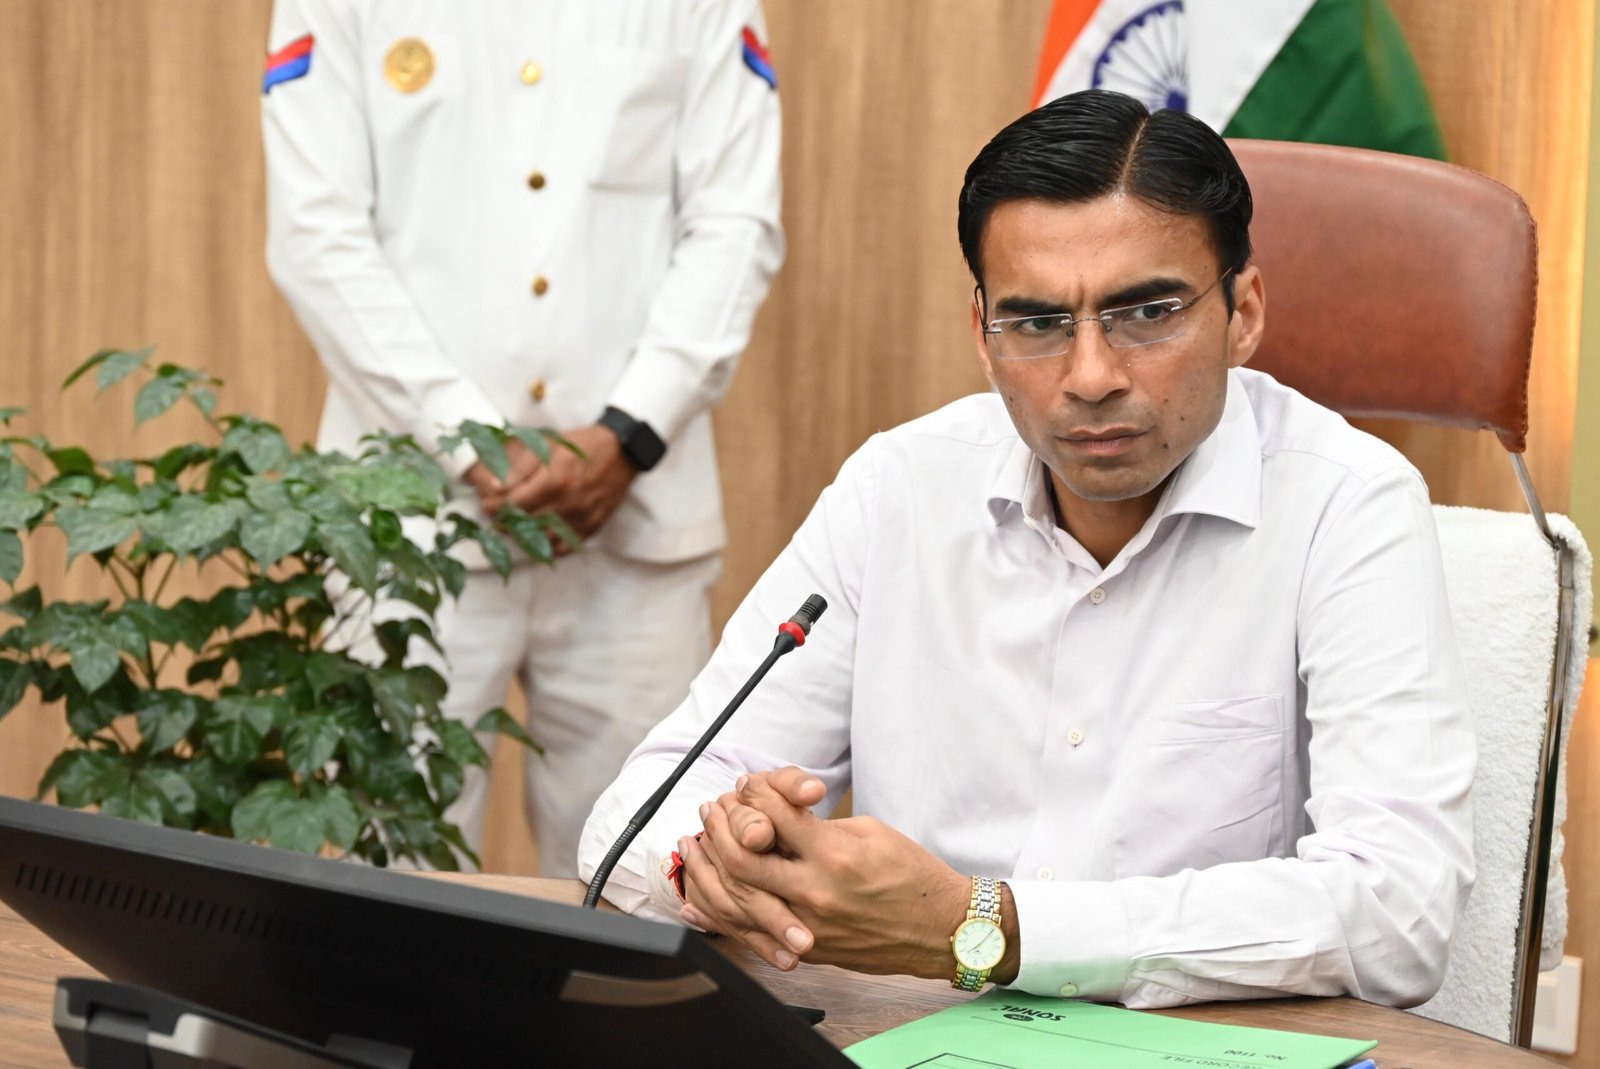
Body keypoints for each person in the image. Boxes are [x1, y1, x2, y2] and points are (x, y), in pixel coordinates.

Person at [579, 90, 1475, 1008]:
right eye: (1038, 323)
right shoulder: (900, 487)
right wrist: (724, 868)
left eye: (1147, 312)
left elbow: (1399, 910)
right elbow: (631, 822)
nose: (1091, 376)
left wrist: (983, 927)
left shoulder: (1346, 504)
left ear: (1243, 312)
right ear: (983, 333)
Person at [262, 1, 784, 875]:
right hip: (410, 525)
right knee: (388, 884)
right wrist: (465, 440)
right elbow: (315, 233)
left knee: (643, 878)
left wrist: (629, 433)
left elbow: (736, 227)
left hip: (634, 525)